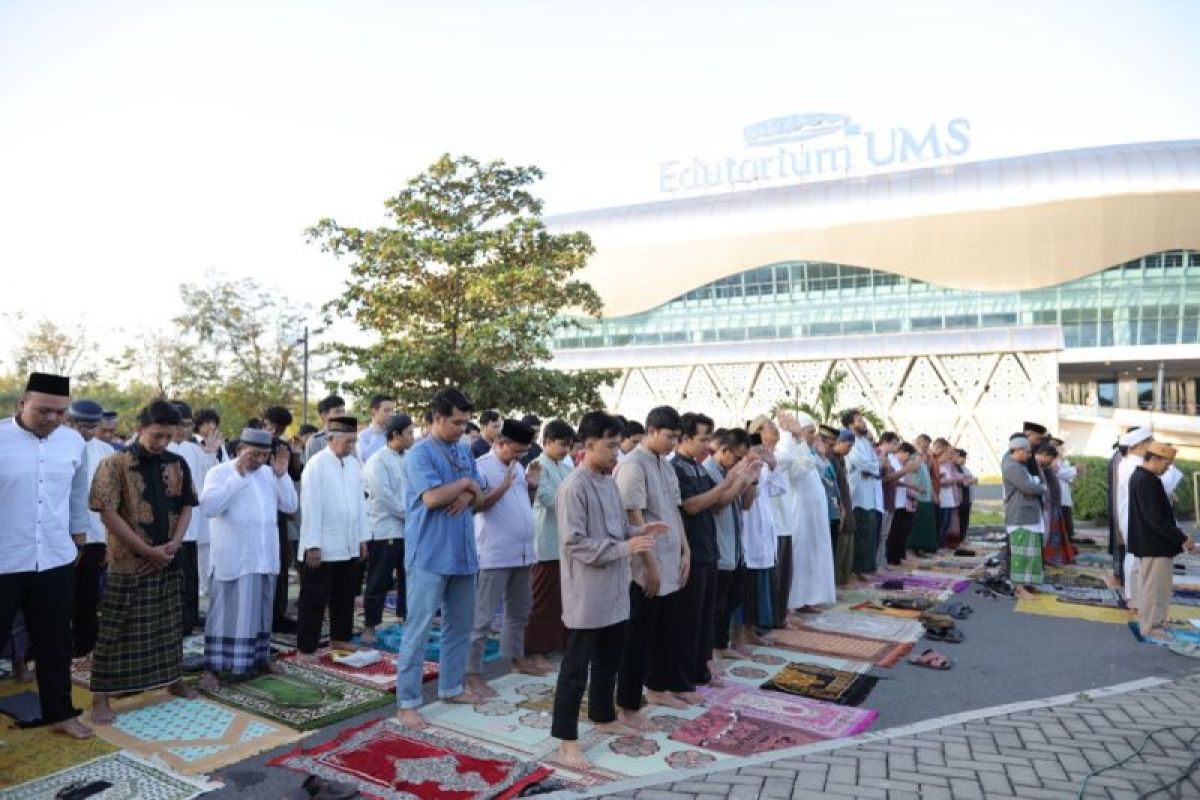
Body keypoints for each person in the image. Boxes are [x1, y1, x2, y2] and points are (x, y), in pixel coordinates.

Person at [551, 411, 666, 769]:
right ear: (587, 446)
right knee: (575, 670)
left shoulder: (607, 482)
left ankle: (603, 716)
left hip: (615, 590)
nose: (617, 453)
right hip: (587, 594)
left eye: (618, 446)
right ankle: (567, 741)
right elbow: (575, 543)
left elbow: (616, 530)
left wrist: (643, 531)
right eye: (611, 446)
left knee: (608, 662)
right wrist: (624, 548)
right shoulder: (573, 487)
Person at [89, 400, 199, 724]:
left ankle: (172, 678)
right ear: (140, 429)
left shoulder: (178, 463)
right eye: (157, 435)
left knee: (169, 624)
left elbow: (187, 506)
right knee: (116, 628)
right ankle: (100, 697)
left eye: (169, 435)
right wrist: (147, 550)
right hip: (128, 563)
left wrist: (173, 545)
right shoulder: (113, 463)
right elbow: (107, 513)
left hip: (168, 558)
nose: (163, 442)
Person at [0, 373, 93, 739]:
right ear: (22, 403)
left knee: (55, 642)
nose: (52, 418)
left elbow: (76, 493)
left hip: (54, 558)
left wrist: (79, 538)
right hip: (4, 559)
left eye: (60, 412)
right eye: (44, 410)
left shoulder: (72, 442)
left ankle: (60, 713)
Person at [395, 388, 486, 728]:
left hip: (463, 554)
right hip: (429, 554)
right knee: (417, 630)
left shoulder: (464, 451)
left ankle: (450, 686)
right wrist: (464, 484)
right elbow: (432, 497)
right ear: (436, 418)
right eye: (456, 422)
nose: (462, 429)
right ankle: (407, 701)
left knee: (460, 626)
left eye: (465, 423)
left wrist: (467, 491)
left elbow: (481, 495)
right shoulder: (418, 455)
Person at [198, 428, 297, 689]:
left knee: (262, 612)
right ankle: (213, 668)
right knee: (224, 615)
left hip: (264, 557)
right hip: (234, 558)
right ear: (240, 450)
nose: (260, 460)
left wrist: (282, 474)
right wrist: (237, 479)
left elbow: (290, 506)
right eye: (254, 454)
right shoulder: (219, 473)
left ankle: (259, 659)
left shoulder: (268, 474)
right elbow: (209, 508)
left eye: (265, 455)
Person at [615, 406, 691, 728]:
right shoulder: (634, 465)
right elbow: (635, 518)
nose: (673, 443)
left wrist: (685, 551)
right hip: (646, 565)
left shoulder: (665, 465)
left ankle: (658, 688)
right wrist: (651, 567)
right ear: (652, 430)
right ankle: (628, 705)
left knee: (666, 631)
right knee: (638, 637)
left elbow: (674, 511)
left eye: (677, 437)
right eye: (669, 436)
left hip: (671, 559)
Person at [467, 418, 546, 698]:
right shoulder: (481, 467)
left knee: (519, 611)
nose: (518, 457)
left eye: (522, 453)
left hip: (522, 552)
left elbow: (524, 505)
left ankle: (516, 658)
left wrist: (532, 486)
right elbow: (477, 507)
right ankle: (472, 674)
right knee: (483, 618)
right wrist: (503, 486)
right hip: (494, 554)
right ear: (500, 443)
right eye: (515, 451)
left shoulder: (517, 468)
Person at [675, 416, 752, 683]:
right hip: (692, 552)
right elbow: (693, 506)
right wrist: (727, 481)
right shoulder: (679, 468)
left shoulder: (695, 467)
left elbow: (719, 502)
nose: (708, 445)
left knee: (705, 617)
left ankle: (700, 670)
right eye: (703, 439)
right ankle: (683, 676)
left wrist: (743, 482)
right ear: (684, 439)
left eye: (709, 439)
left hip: (708, 550)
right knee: (691, 620)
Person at [297, 416, 367, 657]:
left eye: (354, 441)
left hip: (348, 543)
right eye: (347, 441)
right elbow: (310, 506)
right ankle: (306, 648)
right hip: (322, 546)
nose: (351, 446)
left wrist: (362, 538)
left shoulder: (354, 464)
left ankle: (340, 638)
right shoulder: (316, 465)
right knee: (314, 599)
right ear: (330, 439)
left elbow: (360, 503)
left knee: (344, 595)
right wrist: (313, 545)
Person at [1128, 442, 1197, 640]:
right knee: (1154, 588)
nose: (1167, 469)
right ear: (1155, 459)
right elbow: (1156, 519)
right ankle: (1151, 627)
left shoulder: (1143, 477)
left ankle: (1152, 622)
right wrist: (1182, 538)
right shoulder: (1146, 480)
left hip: (1152, 543)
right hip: (1154, 544)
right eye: (1166, 464)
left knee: (1153, 586)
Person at [703, 427, 760, 660]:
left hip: (734, 546)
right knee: (716, 606)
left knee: (731, 600)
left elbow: (745, 505)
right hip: (718, 546)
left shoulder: (729, 470)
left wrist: (751, 481)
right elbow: (718, 503)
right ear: (724, 450)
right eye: (737, 457)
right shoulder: (710, 470)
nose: (738, 462)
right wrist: (737, 481)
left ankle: (721, 644)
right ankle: (712, 650)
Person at [773, 412, 837, 612]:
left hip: (814, 516)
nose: (812, 436)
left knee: (813, 555)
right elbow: (795, 473)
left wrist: (817, 454)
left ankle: (809, 598)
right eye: (809, 432)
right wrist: (800, 442)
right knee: (799, 556)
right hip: (798, 513)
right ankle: (793, 602)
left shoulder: (805, 448)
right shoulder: (786, 448)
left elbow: (819, 470)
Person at [64, 399, 113, 658]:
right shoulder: (57, 445)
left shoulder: (106, 451)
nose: (89, 432)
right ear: (70, 421)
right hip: (60, 535)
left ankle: (85, 644)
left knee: (87, 593)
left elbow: (111, 498)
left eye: (93, 426)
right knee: (60, 594)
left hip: (94, 534)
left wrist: (108, 539)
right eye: (84, 425)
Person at [525, 419, 575, 668]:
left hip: (564, 542)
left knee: (560, 599)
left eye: (568, 445)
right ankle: (536, 652)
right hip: (545, 543)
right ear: (546, 442)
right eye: (561, 444)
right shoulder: (536, 466)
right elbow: (547, 498)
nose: (565, 449)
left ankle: (554, 646)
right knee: (542, 601)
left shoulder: (566, 468)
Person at [361, 414, 414, 643]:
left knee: (408, 578)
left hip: (408, 530)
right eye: (410, 433)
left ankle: (406, 618)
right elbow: (386, 498)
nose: (413, 438)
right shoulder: (377, 461)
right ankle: (370, 626)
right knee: (379, 580)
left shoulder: (411, 458)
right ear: (396, 435)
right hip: (384, 530)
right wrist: (412, 513)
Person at [168, 401, 218, 634]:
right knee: (171, 579)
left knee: (191, 577)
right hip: (167, 528)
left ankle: (188, 621)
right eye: (178, 425)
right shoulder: (160, 449)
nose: (182, 430)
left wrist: (210, 454)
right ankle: (171, 622)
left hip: (192, 525)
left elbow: (211, 478)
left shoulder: (196, 450)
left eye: (187, 425)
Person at [749, 415, 792, 629]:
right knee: (751, 582)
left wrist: (772, 465)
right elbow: (751, 493)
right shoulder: (748, 458)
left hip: (769, 524)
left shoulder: (770, 459)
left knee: (768, 577)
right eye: (769, 428)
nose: (775, 431)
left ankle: (761, 623)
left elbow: (778, 489)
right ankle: (749, 627)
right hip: (752, 526)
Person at [263, 406, 303, 633]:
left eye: (281, 427)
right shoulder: (252, 441)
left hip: (279, 510)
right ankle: (264, 614)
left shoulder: (282, 445)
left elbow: (294, 474)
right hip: (257, 509)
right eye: (273, 425)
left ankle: (278, 612)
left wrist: (295, 452)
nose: (276, 430)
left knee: (280, 559)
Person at [1116, 426, 1154, 606]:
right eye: (1150, 443)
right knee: (1134, 556)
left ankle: (1134, 593)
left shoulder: (1133, 463)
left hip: (1135, 515)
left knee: (1137, 556)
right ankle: (1132, 595)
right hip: (1133, 516)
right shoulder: (1133, 465)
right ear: (1140, 445)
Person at [1002, 436, 1045, 585]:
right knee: (1021, 555)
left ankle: (1027, 585)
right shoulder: (1011, 467)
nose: (1029, 455)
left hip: (1027, 514)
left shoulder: (1016, 463)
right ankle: (1020, 588)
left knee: (1030, 553)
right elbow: (1027, 487)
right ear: (1018, 450)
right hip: (1020, 515)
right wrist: (1042, 488)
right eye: (1027, 452)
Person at [843, 410, 881, 576]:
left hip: (869, 494)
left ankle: (867, 568)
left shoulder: (865, 442)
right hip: (857, 495)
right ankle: (856, 571)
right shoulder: (850, 441)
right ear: (850, 424)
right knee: (860, 536)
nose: (863, 423)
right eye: (859, 420)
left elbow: (876, 463)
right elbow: (862, 464)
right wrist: (871, 468)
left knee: (869, 534)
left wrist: (872, 469)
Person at [1035, 442, 1075, 566]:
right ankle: (1049, 557)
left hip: (1053, 503)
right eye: (1051, 458)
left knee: (1052, 534)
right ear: (1046, 455)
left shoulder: (1044, 465)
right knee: (1048, 535)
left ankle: (1052, 557)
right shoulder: (1038, 465)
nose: (1051, 461)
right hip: (1047, 505)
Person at [885, 443, 919, 566]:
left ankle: (896, 557)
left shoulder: (900, 463)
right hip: (894, 501)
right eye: (908, 456)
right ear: (903, 452)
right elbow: (893, 479)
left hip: (901, 502)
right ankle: (891, 558)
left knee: (899, 532)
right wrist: (910, 483)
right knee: (892, 533)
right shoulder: (891, 460)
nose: (908, 459)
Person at [907, 435, 939, 558]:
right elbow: (910, 474)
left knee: (925, 525)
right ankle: (913, 548)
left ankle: (922, 547)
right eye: (924, 445)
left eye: (927, 446)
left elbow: (928, 479)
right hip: (918, 496)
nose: (926, 448)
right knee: (917, 525)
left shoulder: (924, 461)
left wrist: (933, 494)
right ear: (918, 442)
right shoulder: (914, 457)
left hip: (926, 497)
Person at [304, 395, 347, 462]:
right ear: (324, 416)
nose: (342, 415)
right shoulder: (315, 441)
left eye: (343, 411)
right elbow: (312, 469)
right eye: (337, 412)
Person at [1052, 439, 1079, 544]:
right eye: (1057, 447)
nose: (1060, 450)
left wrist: (1072, 474)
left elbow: (1068, 476)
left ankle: (1068, 539)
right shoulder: (1053, 461)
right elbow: (1059, 473)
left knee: (1067, 517)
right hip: (1058, 493)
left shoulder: (1063, 460)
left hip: (1065, 493)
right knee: (1062, 519)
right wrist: (1074, 470)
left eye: (1060, 447)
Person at [357, 395, 397, 463]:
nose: (390, 414)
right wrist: (377, 434)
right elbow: (366, 458)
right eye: (386, 411)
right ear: (374, 411)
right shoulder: (362, 436)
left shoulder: (395, 434)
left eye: (392, 410)